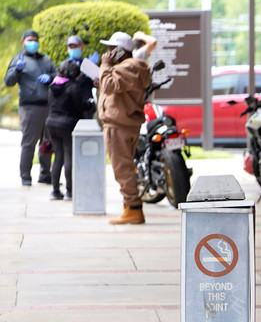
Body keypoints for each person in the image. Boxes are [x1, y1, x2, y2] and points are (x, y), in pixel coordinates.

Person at [98, 31, 157, 225]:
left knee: (122, 168)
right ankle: (129, 207)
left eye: (111, 49)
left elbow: (108, 86)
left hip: (118, 125)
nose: (107, 53)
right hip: (124, 124)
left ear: (119, 52)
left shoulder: (128, 66)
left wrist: (105, 66)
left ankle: (133, 208)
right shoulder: (131, 67)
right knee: (125, 166)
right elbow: (114, 87)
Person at [5, 29, 57, 186]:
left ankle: (45, 174)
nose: (33, 42)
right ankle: (25, 175)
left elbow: (57, 76)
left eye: (35, 39)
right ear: (23, 42)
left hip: (48, 105)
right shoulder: (19, 59)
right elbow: (8, 81)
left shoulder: (46, 60)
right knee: (29, 142)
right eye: (29, 40)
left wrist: (51, 78)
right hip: (30, 107)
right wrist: (17, 70)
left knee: (47, 142)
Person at [45, 57, 95, 200]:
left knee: (58, 157)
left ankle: (55, 191)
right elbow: (80, 106)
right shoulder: (73, 86)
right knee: (68, 156)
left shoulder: (52, 85)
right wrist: (90, 104)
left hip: (52, 123)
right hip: (67, 124)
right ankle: (69, 191)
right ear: (74, 73)